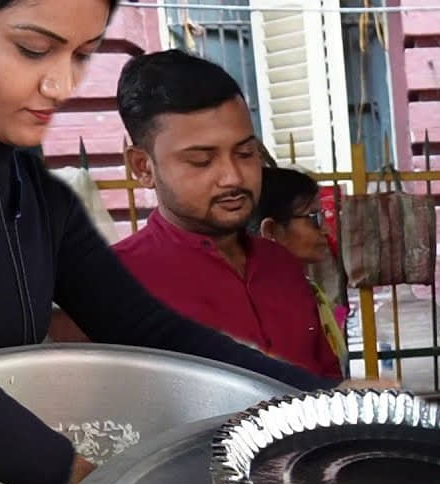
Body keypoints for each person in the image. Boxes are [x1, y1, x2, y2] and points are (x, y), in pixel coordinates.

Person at [0, 0, 344, 484]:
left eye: (79, 55)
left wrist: (324, 403)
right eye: (33, 49)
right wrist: (69, 478)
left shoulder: (33, 194)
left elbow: (145, 328)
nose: (59, 86)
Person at [112, 50, 342, 381]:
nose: (233, 177)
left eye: (245, 153)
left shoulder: (282, 263)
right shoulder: (115, 285)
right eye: (202, 161)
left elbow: (329, 387)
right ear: (143, 167)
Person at [254, 166, 347, 375]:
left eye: (323, 216)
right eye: (314, 218)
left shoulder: (302, 290)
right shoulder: (269, 305)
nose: (326, 230)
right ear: (272, 231)